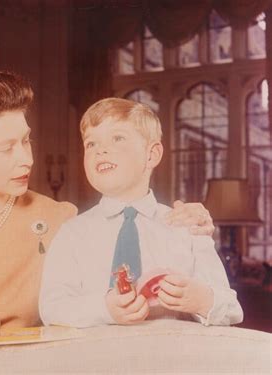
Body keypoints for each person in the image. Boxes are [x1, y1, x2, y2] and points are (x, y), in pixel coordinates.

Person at [0, 69, 216, 329]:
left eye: (27, 141)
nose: (27, 159)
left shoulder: (60, 218)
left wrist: (194, 223)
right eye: (7, 149)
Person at [39, 98, 243, 328]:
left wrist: (201, 300)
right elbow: (52, 309)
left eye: (118, 138)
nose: (101, 150)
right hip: (96, 359)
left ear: (151, 155)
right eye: (91, 144)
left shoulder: (186, 226)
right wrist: (104, 309)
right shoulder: (72, 233)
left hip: (170, 358)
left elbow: (232, 309)